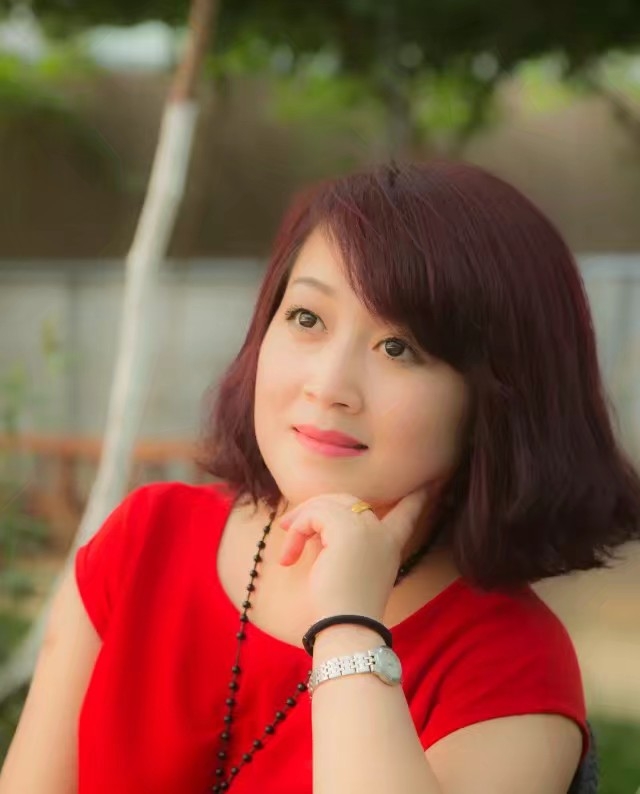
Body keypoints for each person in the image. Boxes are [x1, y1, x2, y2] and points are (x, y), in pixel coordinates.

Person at [2, 160, 639, 794]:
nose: (329, 385)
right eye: (308, 319)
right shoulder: (145, 540)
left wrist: (349, 625)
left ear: (497, 399)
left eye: (399, 348)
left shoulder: (510, 666)